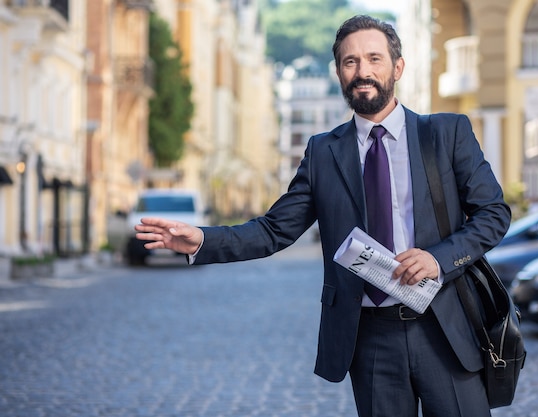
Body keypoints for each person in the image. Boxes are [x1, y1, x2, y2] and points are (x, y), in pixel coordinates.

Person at [135, 15, 511, 417]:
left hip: (445, 326)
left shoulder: (446, 133)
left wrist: (437, 257)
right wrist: (204, 240)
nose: (362, 71)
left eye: (374, 59)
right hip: (370, 337)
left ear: (397, 68)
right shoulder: (323, 153)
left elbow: (493, 214)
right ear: (338, 72)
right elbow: (274, 230)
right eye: (350, 62)